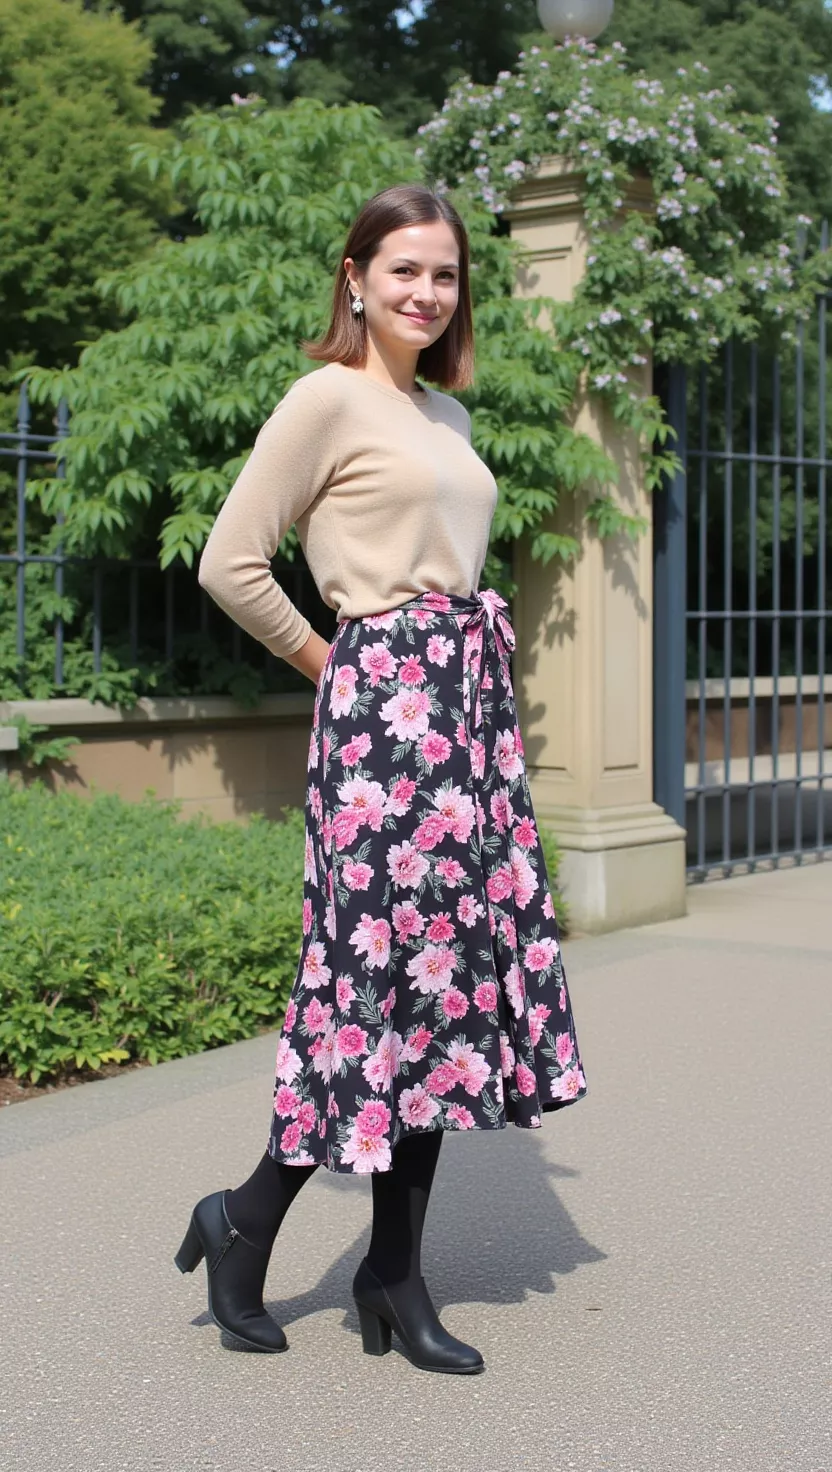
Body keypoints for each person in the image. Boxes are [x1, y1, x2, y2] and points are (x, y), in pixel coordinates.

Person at [176, 184, 587, 1376]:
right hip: (380, 725)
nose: (425, 291)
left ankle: (387, 1270)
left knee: (444, 1002)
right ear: (354, 275)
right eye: (403, 268)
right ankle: (249, 1215)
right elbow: (230, 560)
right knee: (367, 991)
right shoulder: (327, 398)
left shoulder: (446, 416)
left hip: (463, 725)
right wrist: (336, 663)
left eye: (445, 274)